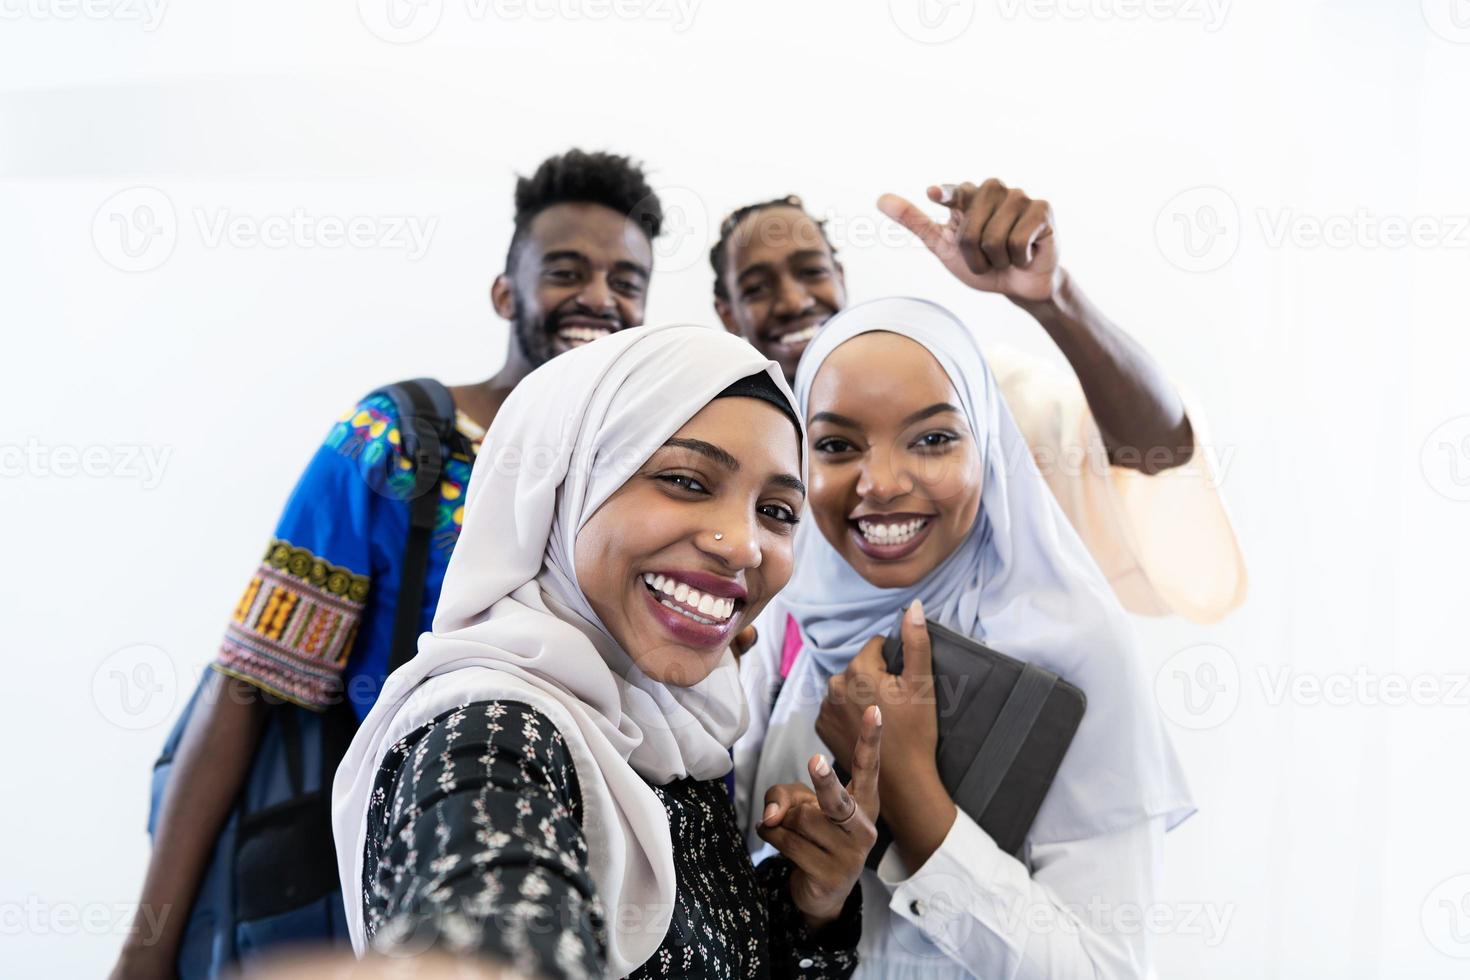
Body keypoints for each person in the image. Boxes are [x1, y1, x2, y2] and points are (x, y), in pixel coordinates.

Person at [112, 149, 664, 979]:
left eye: (627, 280)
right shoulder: (397, 441)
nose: (599, 297)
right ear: (505, 293)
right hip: (375, 879)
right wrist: (144, 952)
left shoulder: (638, 473)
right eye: (566, 270)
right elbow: (251, 679)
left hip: (584, 896)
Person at [332, 324, 884, 979]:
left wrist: (811, 903)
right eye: (685, 479)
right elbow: (492, 924)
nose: (743, 546)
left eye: (777, 511)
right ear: (564, 486)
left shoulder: (667, 726)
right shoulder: (488, 737)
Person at [733, 298, 1195, 978]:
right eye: (835, 445)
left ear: (990, 447)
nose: (882, 483)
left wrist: (916, 796)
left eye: (932, 439)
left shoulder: (1068, 639)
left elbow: (1107, 968)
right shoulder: (788, 609)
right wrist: (814, 897)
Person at [710, 182, 1246, 624]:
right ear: (728, 313)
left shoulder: (967, 389)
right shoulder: (729, 447)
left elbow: (1156, 453)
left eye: (932, 441)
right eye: (757, 287)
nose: (794, 300)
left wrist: (1054, 297)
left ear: (841, 277)